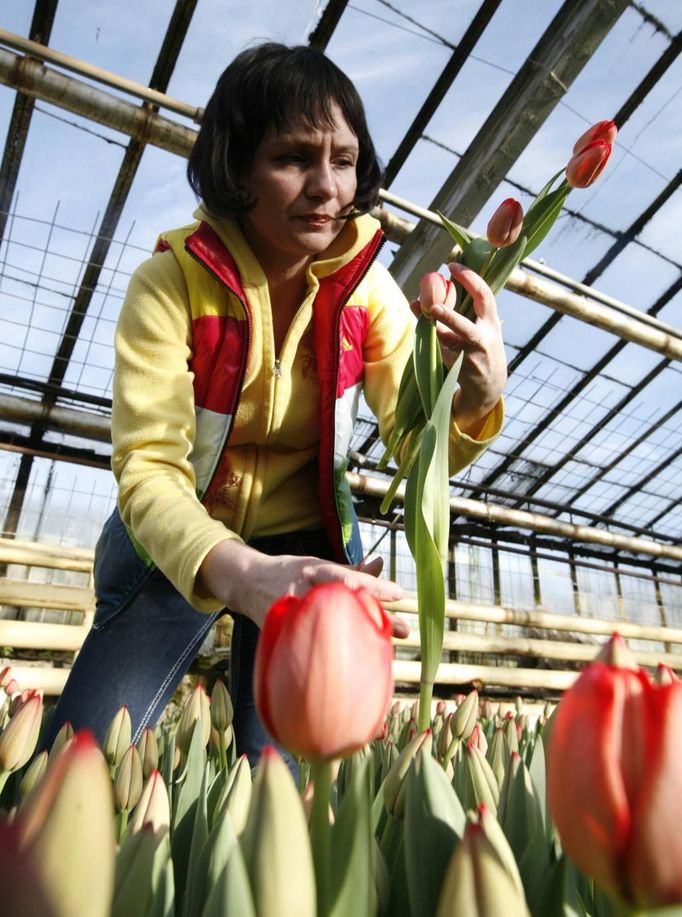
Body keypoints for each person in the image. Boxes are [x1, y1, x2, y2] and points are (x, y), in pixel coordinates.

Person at [43, 42, 506, 763]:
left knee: (284, 782)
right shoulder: (170, 285)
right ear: (235, 167)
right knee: (75, 765)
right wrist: (243, 572)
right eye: (294, 157)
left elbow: (416, 449)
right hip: (179, 544)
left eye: (345, 160)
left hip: (308, 553)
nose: (326, 187)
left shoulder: (368, 293)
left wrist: (473, 397)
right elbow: (149, 470)